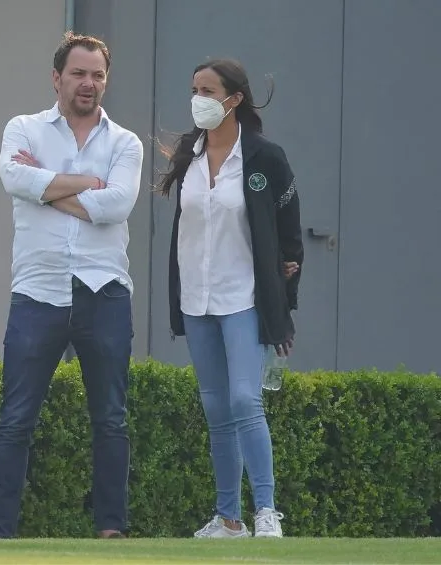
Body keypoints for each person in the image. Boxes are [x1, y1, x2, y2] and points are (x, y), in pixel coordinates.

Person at [0, 31, 144, 539]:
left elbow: (117, 205)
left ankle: (111, 529)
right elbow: (13, 178)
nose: (88, 84)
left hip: (104, 292)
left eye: (97, 75)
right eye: (78, 73)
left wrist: (46, 187)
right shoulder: (24, 128)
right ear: (57, 77)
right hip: (38, 291)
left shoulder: (126, 142)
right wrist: (86, 183)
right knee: (15, 420)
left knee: (111, 419)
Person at [158, 58, 303, 538]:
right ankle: (228, 518)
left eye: (208, 89)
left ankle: (266, 511)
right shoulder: (189, 155)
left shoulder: (265, 158)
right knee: (216, 408)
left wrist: (284, 304)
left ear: (234, 99)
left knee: (245, 400)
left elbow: (289, 240)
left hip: (243, 298)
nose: (198, 97)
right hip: (197, 301)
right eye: (194, 87)